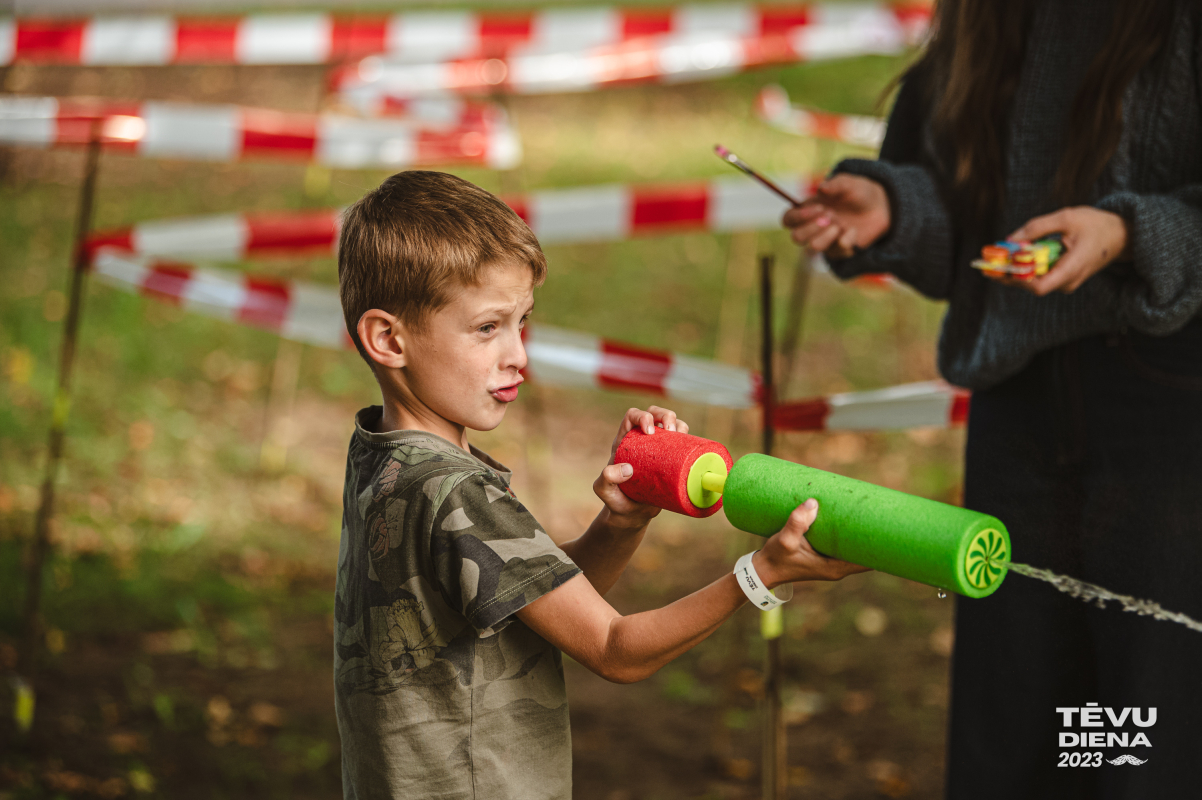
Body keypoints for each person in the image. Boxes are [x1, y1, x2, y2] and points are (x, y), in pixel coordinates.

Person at [333, 170, 868, 799]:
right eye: (487, 328)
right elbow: (616, 649)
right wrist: (762, 574)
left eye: (522, 323)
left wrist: (622, 522)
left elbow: (534, 611)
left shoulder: (382, 458)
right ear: (388, 338)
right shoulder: (457, 494)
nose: (518, 356)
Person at [783, 1, 1202, 797]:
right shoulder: (981, 14)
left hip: (1175, 406)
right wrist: (898, 210)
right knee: (1021, 729)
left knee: (1151, 735)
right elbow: (968, 215)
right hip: (1019, 398)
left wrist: (1129, 235)